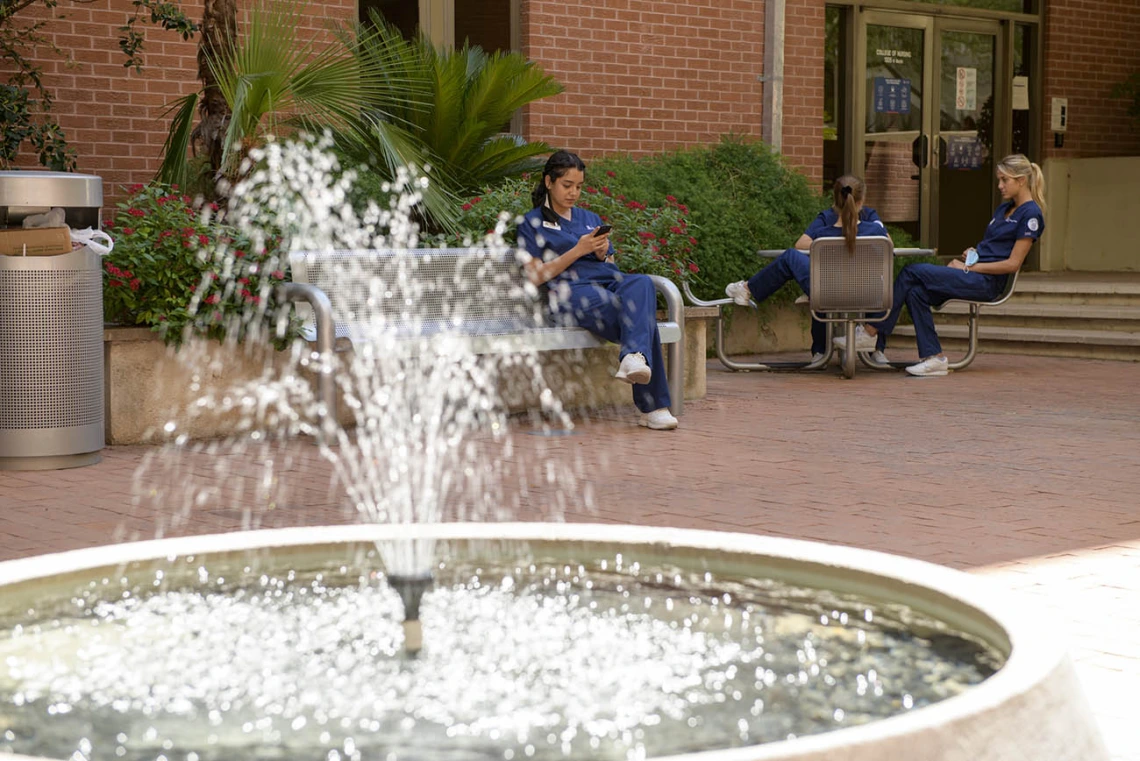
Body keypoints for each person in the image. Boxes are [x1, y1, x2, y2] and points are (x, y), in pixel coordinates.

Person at [836, 154, 1046, 377]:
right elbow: (993, 248)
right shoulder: (1003, 210)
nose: (1000, 185)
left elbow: (1012, 264)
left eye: (1005, 180)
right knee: (916, 291)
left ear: (1021, 180)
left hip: (987, 283)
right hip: (974, 272)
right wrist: (973, 253)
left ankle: (870, 332)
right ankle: (934, 358)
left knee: (910, 272)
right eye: (999, 179)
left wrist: (969, 269)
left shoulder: (1031, 214)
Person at [516, 150, 678, 430]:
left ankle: (632, 357)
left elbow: (611, 264)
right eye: (567, 185)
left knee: (641, 283)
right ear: (548, 182)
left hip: (608, 282)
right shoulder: (530, 223)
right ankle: (653, 406)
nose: (573, 193)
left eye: (578, 186)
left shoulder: (589, 217)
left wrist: (602, 253)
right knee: (642, 318)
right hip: (570, 292)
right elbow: (534, 276)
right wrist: (578, 251)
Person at [723, 175, 890, 363]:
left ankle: (747, 289)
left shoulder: (820, 236)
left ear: (835, 201)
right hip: (870, 297)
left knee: (791, 257)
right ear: (862, 202)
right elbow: (888, 249)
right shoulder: (877, 233)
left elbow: (800, 246)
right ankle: (873, 347)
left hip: (827, 296)